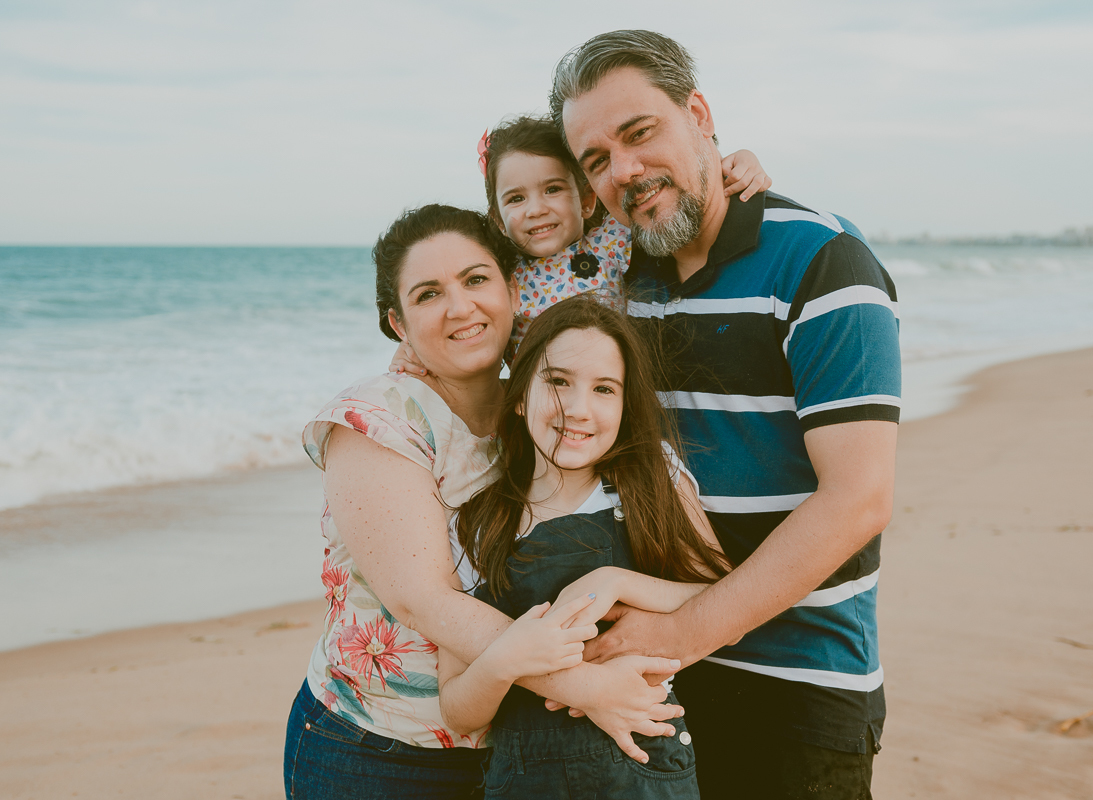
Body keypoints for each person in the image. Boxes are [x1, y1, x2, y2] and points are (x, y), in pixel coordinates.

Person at [547, 30, 902, 799]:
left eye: (640, 133)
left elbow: (859, 499)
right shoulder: (615, 280)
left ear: (699, 115)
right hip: (645, 686)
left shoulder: (822, 259)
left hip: (799, 685)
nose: (626, 171)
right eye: (597, 160)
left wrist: (682, 632)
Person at [282, 205, 683, 800]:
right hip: (379, 750)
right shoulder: (379, 417)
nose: (460, 308)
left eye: (475, 280)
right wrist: (589, 685)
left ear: (512, 288)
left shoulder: (542, 408)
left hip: (519, 751)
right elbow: (423, 601)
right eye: (428, 294)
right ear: (398, 322)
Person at [437, 295, 731, 798]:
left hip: (646, 774)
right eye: (557, 381)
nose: (579, 409)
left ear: (624, 405)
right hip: (526, 782)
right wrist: (507, 659)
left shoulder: (650, 480)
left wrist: (615, 582)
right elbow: (458, 709)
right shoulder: (478, 521)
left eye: (604, 389)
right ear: (519, 394)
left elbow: (722, 601)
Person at [394, 115, 769, 371]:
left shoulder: (609, 243)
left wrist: (740, 162)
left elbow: (674, 199)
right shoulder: (503, 283)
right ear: (498, 219)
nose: (536, 210)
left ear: (587, 199)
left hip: (622, 395)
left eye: (553, 189)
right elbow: (464, 331)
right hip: (542, 413)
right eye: (516, 199)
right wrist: (409, 350)